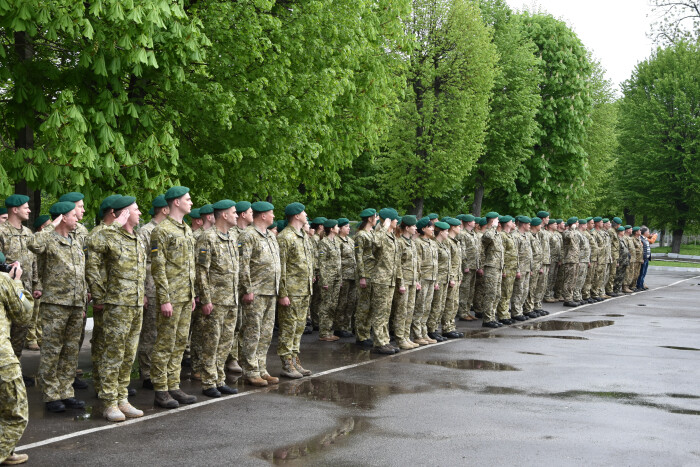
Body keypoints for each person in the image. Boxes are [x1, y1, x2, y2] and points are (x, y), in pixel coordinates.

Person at [86, 196, 145, 421]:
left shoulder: (136, 238)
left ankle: (122, 398)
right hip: (117, 304)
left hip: (135, 304)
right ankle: (109, 402)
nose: (139, 212)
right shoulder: (108, 235)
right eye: (135, 209)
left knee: (128, 355)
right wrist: (99, 296)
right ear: (123, 213)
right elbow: (93, 249)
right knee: (113, 354)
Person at [28, 201, 87, 413]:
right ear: (63, 217)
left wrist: (81, 302)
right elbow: (33, 244)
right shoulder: (49, 240)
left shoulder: (74, 241)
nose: (78, 218)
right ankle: (51, 394)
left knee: (70, 352)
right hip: (55, 304)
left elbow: (81, 275)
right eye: (74, 215)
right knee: (52, 351)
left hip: (74, 304)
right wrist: (52, 226)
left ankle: (66, 391)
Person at [150, 186, 198, 408]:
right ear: (176, 202)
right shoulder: (162, 230)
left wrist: (193, 294)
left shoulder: (186, 230)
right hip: (171, 296)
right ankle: (160, 389)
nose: (191, 202)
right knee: (165, 344)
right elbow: (158, 268)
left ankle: (173, 384)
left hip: (185, 296)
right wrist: (164, 298)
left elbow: (189, 266)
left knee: (180, 343)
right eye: (187, 199)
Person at [195, 200, 240, 397]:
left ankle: (220, 379)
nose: (237, 215)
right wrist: (205, 299)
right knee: (211, 342)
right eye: (234, 212)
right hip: (215, 300)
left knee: (225, 342)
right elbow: (201, 271)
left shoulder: (230, 237)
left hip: (231, 299)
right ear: (224, 215)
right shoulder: (208, 237)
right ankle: (208, 382)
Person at [238, 201, 281, 387]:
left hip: (270, 291)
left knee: (265, 333)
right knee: (252, 333)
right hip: (256, 292)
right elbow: (243, 264)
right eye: (271, 213)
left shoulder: (270, 236)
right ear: (262, 215)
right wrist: (247, 289)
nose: (273, 216)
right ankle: (250, 370)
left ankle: (261, 368)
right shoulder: (248, 235)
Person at [0, 195, 39, 382]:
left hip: (25, 291)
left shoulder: (28, 233)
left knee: (20, 332)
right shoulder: (1, 231)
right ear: (14, 209)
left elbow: (34, 263)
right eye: (25, 207)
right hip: (7, 292)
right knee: (4, 334)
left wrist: (37, 284)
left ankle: (14, 371)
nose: (29, 210)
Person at [0, 256, 34, 466]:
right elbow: (24, 313)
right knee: (16, 411)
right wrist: (16, 283)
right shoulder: (4, 281)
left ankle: (7, 450)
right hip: (2, 358)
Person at [276, 203, 314, 379]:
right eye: (303, 212)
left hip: (304, 289)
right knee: (288, 328)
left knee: (299, 327)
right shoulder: (285, 237)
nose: (306, 214)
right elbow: (281, 268)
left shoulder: (303, 236)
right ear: (297, 216)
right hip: (291, 291)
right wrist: (282, 293)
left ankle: (294, 357)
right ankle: (286, 362)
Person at [137, 194, 169, 390]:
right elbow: (140, 264)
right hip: (150, 285)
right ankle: (147, 372)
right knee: (149, 332)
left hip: (163, 286)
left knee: (162, 331)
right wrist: (143, 292)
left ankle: (159, 370)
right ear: (164, 210)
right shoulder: (146, 231)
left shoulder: (167, 230)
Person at [370, 208, 404, 354]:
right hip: (381, 279)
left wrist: (400, 281)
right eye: (395, 219)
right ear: (389, 220)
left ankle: (385, 340)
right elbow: (375, 243)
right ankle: (379, 342)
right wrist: (384, 226)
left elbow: (397, 262)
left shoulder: (392, 237)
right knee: (379, 312)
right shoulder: (381, 235)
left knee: (385, 312)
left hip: (390, 280)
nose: (397, 221)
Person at [225, 201, 253, 374]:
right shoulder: (233, 233)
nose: (252, 213)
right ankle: (232, 358)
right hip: (233, 287)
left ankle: (242, 356)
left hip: (244, 285)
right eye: (250, 211)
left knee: (244, 324)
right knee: (234, 325)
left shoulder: (248, 233)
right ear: (243, 214)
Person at [391, 215, 420, 349]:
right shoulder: (400, 242)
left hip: (412, 280)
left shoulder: (412, 242)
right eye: (413, 226)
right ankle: (400, 338)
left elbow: (415, 264)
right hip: (404, 281)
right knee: (401, 311)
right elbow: (398, 265)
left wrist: (417, 280)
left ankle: (406, 336)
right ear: (407, 228)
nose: (415, 228)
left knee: (409, 310)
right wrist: (401, 283)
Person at [353, 208, 377, 347]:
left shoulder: (372, 233)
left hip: (373, 273)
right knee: (363, 306)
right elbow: (359, 257)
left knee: (371, 306)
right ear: (369, 219)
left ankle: (367, 332)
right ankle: (361, 335)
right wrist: (362, 276)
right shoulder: (360, 235)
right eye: (375, 217)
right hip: (365, 274)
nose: (377, 219)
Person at [412, 217, 438, 345]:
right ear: (423, 229)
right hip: (423, 278)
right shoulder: (418, 243)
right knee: (420, 307)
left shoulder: (432, 243)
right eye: (430, 227)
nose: (433, 229)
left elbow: (436, 263)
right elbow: (417, 264)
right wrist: (417, 280)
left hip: (431, 278)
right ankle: (417, 334)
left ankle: (424, 332)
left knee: (427, 307)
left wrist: (436, 279)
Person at [478, 212, 505, 328]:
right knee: (490, 293)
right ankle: (487, 318)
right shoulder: (489, 233)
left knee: (497, 294)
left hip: (498, 267)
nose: (498, 222)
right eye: (496, 220)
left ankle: (492, 317)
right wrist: (492, 225)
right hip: (491, 267)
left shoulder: (497, 234)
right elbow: (487, 237)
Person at [317, 219, 341, 342]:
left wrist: (340, 277)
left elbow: (338, 262)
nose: (338, 228)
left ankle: (329, 330)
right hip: (328, 278)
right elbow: (322, 263)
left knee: (333, 305)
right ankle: (324, 332)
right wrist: (324, 280)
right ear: (331, 229)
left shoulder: (336, 242)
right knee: (326, 305)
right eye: (336, 226)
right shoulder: (324, 243)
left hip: (336, 277)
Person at [427, 221, 450, 340]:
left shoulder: (443, 244)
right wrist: (435, 280)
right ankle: (431, 329)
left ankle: (435, 327)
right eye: (446, 231)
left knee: (440, 305)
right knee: (435, 305)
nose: (447, 233)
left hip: (444, 278)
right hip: (438, 278)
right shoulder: (434, 244)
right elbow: (434, 264)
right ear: (440, 232)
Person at [440, 217, 463, 338]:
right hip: (450, 276)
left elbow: (456, 262)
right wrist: (452, 277)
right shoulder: (447, 241)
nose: (460, 228)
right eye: (458, 226)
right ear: (452, 227)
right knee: (449, 303)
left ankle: (451, 325)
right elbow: (447, 262)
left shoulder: (455, 241)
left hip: (456, 275)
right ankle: (446, 327)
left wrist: (459, 275)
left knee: (454, 303)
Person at [335, 218, 356, 338]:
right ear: (341, 228)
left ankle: (346, 326)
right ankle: (339, 326)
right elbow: (337, 261)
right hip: (344, 275)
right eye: (346, 226)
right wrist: (340, 277)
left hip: (353, 275)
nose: (349, 228)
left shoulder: (350, 241)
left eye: (349, 226)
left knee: (351, 302)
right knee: (342, 302)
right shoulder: (337, 241)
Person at [496, 216, 518, 325]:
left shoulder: (510, 236)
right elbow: (502, 254)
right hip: (507, 268)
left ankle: (505, 313)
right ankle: (502, 314)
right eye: (511, 221)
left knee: (508, 292)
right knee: (504, 292)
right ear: (506, 223)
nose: (513, 222)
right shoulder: (502, 236)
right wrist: (503, 269)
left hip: (512, 268)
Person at [457, 214, 479, 321]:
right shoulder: (462, 234)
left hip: (474, 266)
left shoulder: (473, 234)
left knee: (471, 290)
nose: (475, 222)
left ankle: (467, 311)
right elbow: (463, 251)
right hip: (468, 266)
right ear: (469, 223)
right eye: (473, 221)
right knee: (464, 290)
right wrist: (465, 265)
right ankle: (462, 312)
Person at [510, 216, 532, 320]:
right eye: (528, 224)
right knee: (518, 290)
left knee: (525, 290)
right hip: (520, 267)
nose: (529, 226)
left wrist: (531, 267)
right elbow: (515, 254)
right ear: (523, 224)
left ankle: (521, 310)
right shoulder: (515, 236)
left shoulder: (526, 235)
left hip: (527, 267)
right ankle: (516, 312)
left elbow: (529, 253)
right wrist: (517, 270)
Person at [561, 218, 581, 307]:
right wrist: (572, 229)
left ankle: (571, 297)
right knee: (568, 279)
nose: (578, 224)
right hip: (569, 259)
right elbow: (569, 237)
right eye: (576, 222)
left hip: (575, 259)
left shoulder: (575, 233)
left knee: (573, 279)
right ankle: (567, 298)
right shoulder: (567, 232)